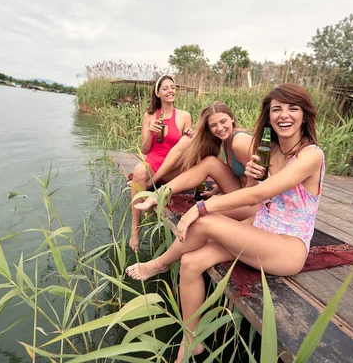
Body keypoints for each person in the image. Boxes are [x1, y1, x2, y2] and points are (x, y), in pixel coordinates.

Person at [126, 84, 325, 362]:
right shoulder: (272, 151)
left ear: (305, 115)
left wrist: (201, 207)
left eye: (293, 109)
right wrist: (255, 174)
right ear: (268, 117)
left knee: (205, 222)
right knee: (191, 263)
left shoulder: (310, 155)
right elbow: (253, 188)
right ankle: (190, 339)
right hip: (261, 229)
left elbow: (257, 195)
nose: (284, 115)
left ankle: (159, 264)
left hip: (288, 247)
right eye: (276, 109)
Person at [134, 101, 254, 221]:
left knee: (201, 213)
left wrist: (220, 199)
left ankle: (159, 194)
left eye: (223, 121)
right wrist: (217, 190)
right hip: (240, 190)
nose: (220, 128)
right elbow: (238, 172)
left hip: (253, 201)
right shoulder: (226, 140)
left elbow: (260, 184)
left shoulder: (240, 142)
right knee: (210, 162)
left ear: (232, 118)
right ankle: (159, 194)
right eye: (213, 125)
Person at [129, 75, 193, 252]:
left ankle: (151, 183)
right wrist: (150, 133)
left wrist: (191, 135)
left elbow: (186, 149)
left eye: (173, 87)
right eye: (165, 88)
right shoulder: (149, 116)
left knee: (186, 142)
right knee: (139, 168)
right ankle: (135, 229)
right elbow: (145, 149)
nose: (170, 90)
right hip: (153, 164)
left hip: (173, 169)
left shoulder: (184, 116)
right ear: (157, 93)